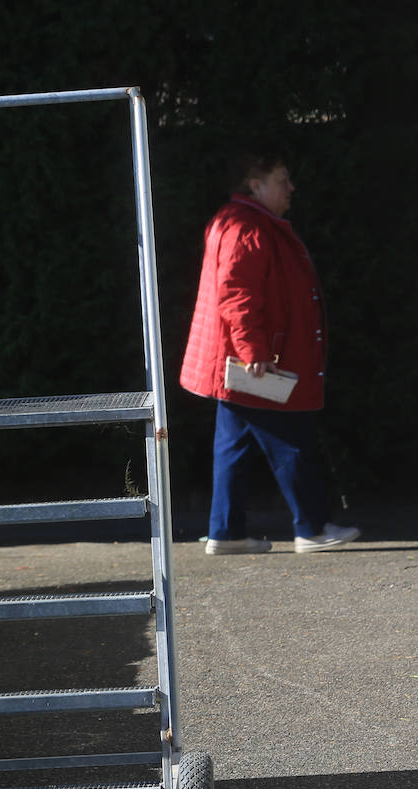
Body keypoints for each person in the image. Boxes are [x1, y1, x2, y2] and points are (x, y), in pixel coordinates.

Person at [179, 147, 358, 554]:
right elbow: (237, 294)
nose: (290, 187)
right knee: (291, 440)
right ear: (254, 184)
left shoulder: (242, 222)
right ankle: (310, 528)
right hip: (254, 361)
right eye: (282, 179)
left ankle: (227, 533)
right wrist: (253, 351)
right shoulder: (246, 226)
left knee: (234, 445)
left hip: (238, 361)